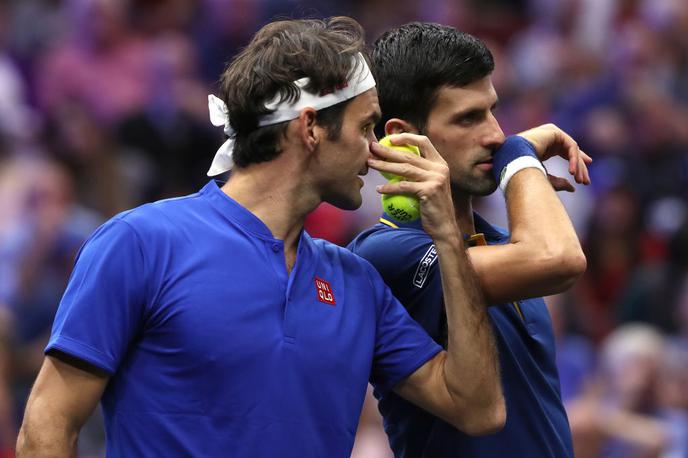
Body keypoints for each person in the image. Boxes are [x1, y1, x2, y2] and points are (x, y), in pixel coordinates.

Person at [16, 17, 505, 457]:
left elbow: (477, 408)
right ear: (311, 127)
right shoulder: (140, 243)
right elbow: (47, 426)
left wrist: (446, 235)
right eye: (365, 128)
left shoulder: (357, 282)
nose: (376, 151)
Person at [348, 22, 590, 457]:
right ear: (403, 138)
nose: (496, 134)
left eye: (492, 111)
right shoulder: (384, 254)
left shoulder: (501, 243)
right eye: (468, 118)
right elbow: (559, 258)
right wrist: (520, 157)